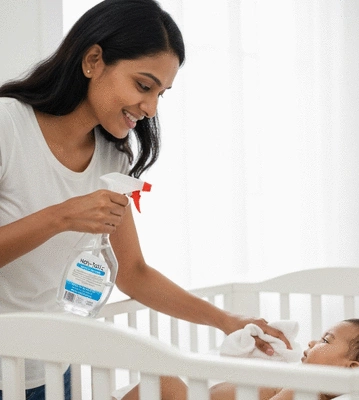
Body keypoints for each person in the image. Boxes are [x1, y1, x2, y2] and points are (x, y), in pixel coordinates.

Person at [0, 1, 290, 399]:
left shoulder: (111, 156)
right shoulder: (7, 127)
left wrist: (226, 319)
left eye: (161, 93)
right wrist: (61, 216)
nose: (151, 108)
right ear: (93, 61)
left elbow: (132, 271)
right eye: (143, 85)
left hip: (51, 370)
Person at [118, 318, 359, 400]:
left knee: (163, 382)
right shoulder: (299, 382)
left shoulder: (306, 392)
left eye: (326, 340)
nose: (313, 342)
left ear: (350, 368)